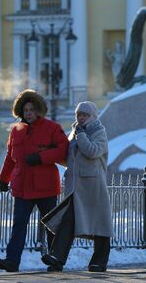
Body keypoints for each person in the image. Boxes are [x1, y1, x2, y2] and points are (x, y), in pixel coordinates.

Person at [0, 89, 69, 273]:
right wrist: (4, 179)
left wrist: (41, 157)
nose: (28, 113)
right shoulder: (16, 130)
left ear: (39, 111)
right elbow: (10, 158)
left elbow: (63, 151)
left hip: (45, 187)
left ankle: (56, 260)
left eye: (32, 110)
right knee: (19, 224)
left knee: (52, 225)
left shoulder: (52, 128)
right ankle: (12, 261)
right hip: (22, 187)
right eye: (25, 110)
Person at [41, 101, 114, 273]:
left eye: (84, 115)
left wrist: (80, 136)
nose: (80, 118)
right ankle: (57, 257)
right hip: (75, 187)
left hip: (93, 186)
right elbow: (69, 158)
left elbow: (93, 151)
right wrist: (54, 153)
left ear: (92, 116)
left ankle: (99, 262)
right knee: (67, 221)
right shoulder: (75, 132)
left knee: (100, 224)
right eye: (78, 115)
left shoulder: (99, 132)